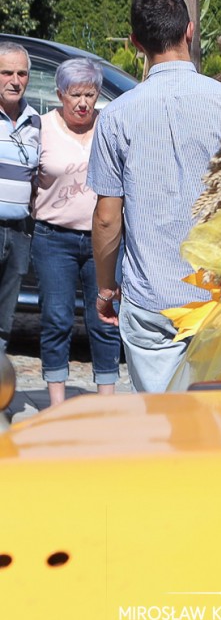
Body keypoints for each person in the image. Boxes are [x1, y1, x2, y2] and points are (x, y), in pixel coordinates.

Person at [89, 0, 221, 393]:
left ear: (135, 43)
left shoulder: (116, 116)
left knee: (163, 418)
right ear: (190, 31)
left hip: (152, 297)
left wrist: (106, 287)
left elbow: (107, 218)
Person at [36, 59, 122, 406]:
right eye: (75, 95)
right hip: (53, 238)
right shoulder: (41, 127)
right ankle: (57, 404)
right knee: (56, 318)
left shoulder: (108, 125)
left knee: (104, 320)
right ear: (60, 95)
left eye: (90, 94)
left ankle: (106, 403)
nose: (83, 102)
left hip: (104, 240)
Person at [0, 42, 41, 370]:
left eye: (22, 73)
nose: (15, 81)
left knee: (4, 317)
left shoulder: (36, 122)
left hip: (18, 232)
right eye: (6, 73)